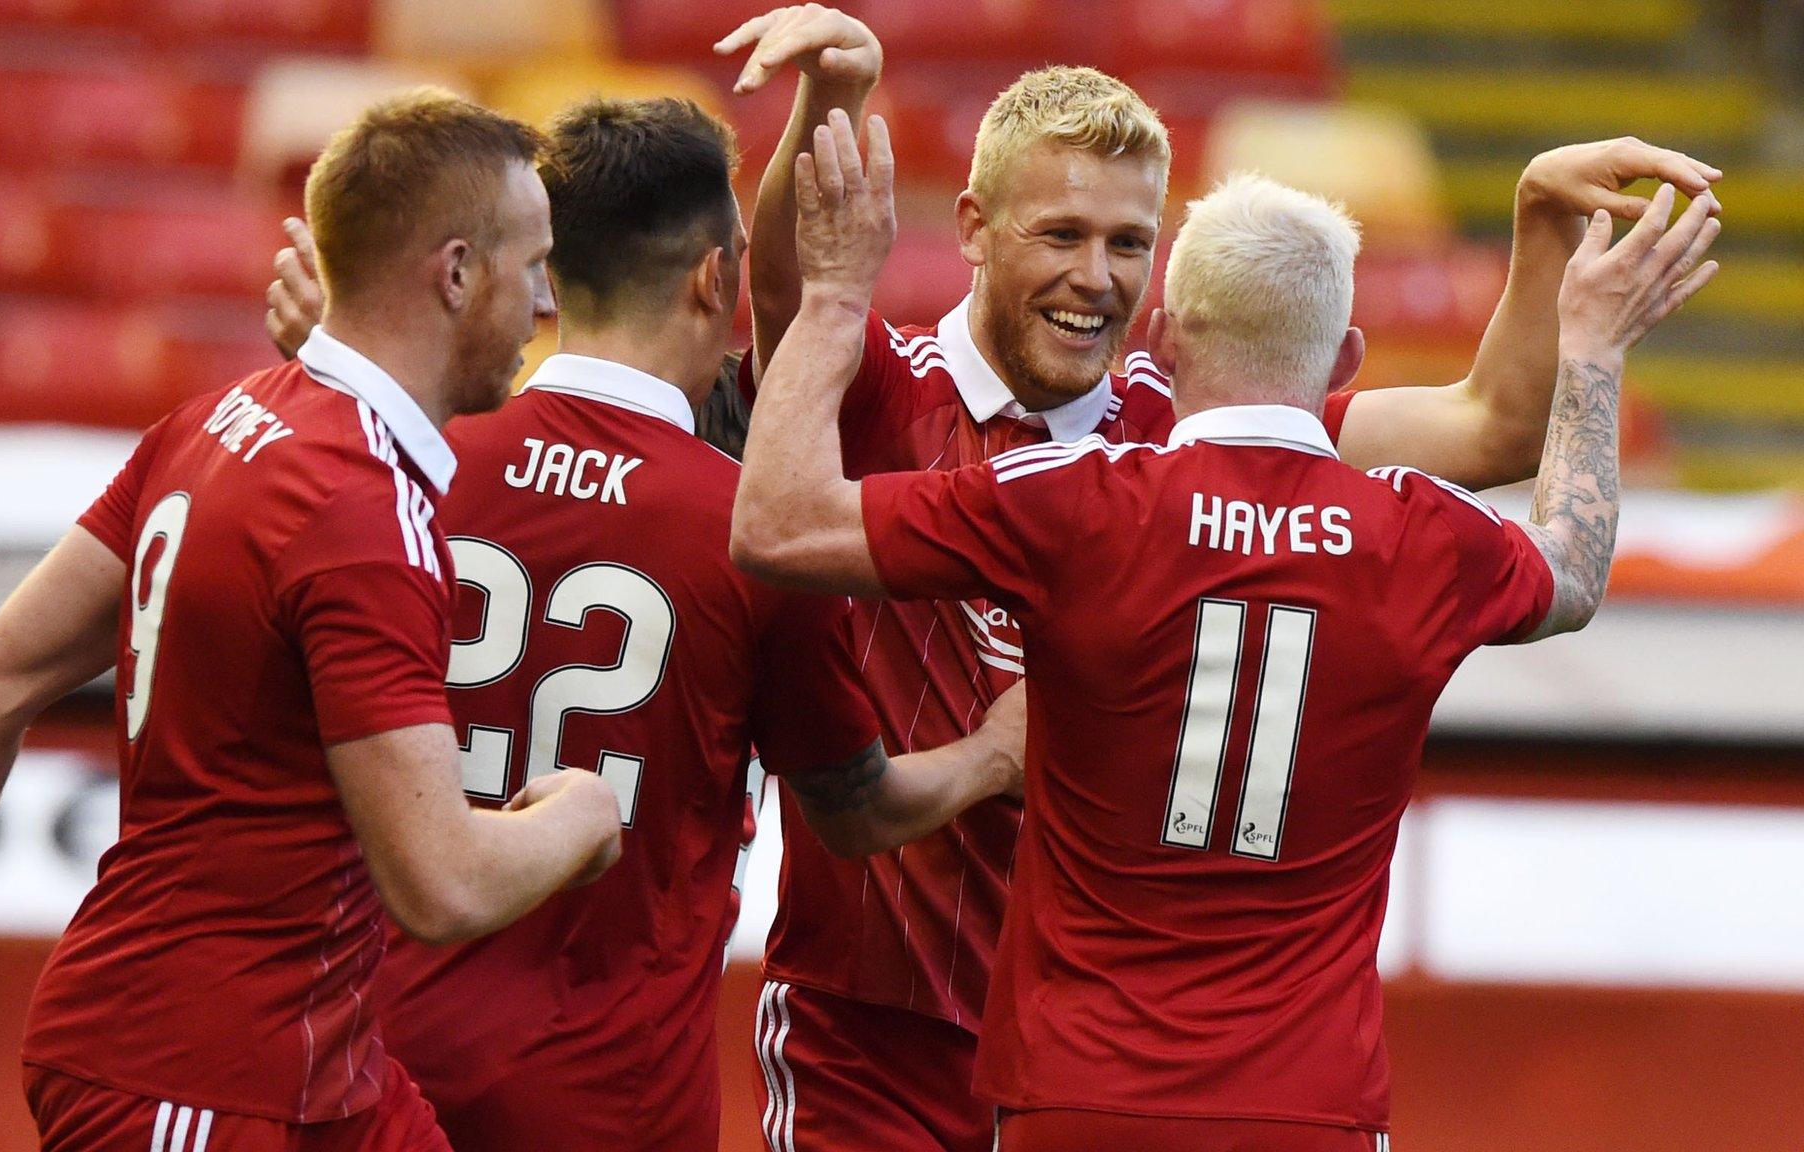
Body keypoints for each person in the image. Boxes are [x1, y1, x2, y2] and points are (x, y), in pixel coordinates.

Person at [714, 10, 1725, 1147]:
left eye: (1128, 243)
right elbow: (795, 300)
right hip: (883, 1015)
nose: (1092, 279)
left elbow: (1489, 425)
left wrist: (1535, 222)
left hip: (1075, 1047)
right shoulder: (886, 389)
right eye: (1060, 234)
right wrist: (834, 102)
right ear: (975, 230)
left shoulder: (1184, 425)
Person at [0, 90, 627, 1151]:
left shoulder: (216, 420)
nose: (544, 302)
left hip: (306, 1059)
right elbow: (442, 882)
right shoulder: (359, 510)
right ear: (458, 272)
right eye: (532, 266)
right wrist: (583, 816)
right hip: (197, 1076)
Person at [264, 97, 1027, 1152]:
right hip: (607, 1096)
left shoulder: (406, 472)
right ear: (717, 278)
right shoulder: (750, 532)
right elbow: (856, 812)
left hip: (370, 1062)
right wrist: (990, 755)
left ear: (550, 271)